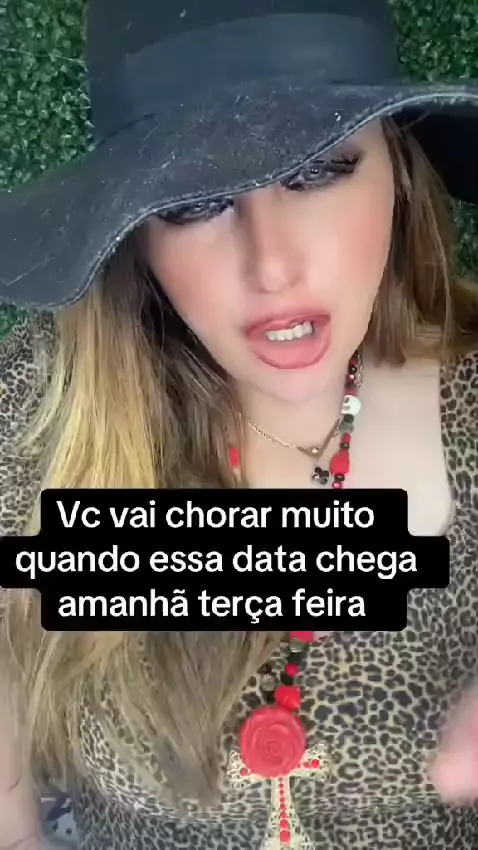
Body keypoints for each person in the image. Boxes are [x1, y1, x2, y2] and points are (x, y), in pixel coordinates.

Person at [0, 0, 477, 848]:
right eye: (195, 201)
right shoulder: (49, 415)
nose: (272, 264)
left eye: (319, 170)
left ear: (399, 172)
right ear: (134, 233)